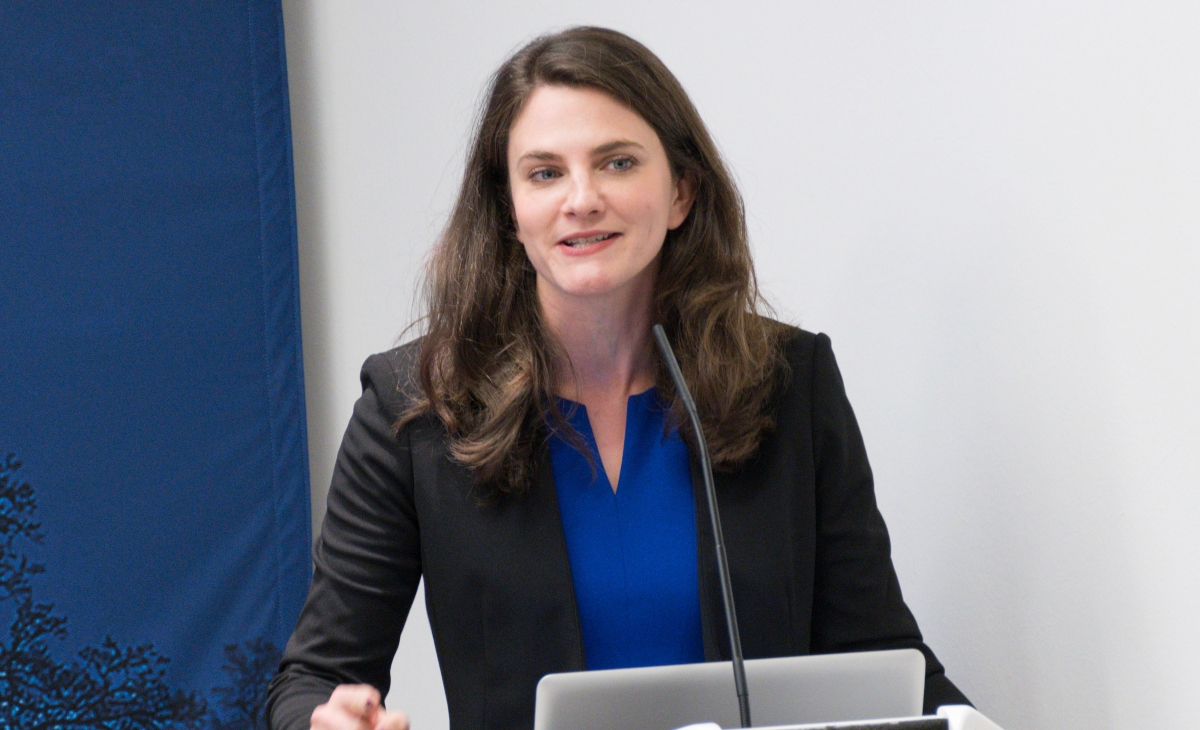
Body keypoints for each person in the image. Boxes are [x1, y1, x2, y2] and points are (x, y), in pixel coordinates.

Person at [267, 26, 971, 730]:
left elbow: (884, 661)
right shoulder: (416, 406)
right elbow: (313, 680)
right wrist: (326, 722)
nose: (581, 199)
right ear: (510, 209)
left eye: (618, 162)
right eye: (545, 173)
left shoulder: (788, 383)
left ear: (682, 192)